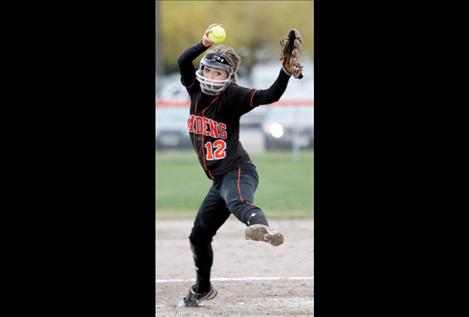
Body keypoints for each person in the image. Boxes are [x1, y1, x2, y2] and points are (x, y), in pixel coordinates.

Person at [175, 23, 302, 308]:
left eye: (218, 72)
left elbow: (271, 95)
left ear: (228, 77)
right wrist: (204, 44)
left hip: (238, 170)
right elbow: (183, 61)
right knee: (198, 236)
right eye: (208, 70)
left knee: (239, 200)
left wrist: (284, 73)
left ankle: (261, 228)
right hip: (217, 180)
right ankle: (202, 288)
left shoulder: (233, 95)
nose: (211, 75)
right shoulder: (194, 89)